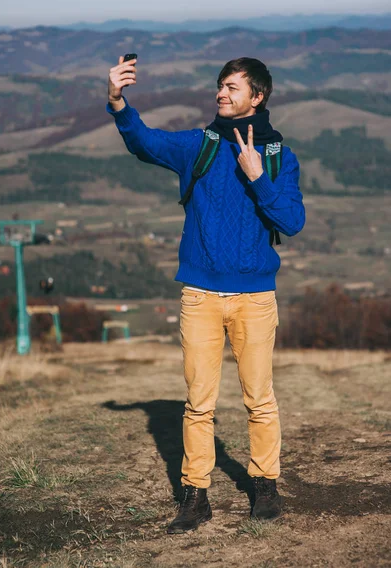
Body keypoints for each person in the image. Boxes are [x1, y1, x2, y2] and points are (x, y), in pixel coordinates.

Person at [107, 55, 305, 534]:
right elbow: (144, 141)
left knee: (260, 399)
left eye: (232, 87)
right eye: (220, 85)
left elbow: (292, 222)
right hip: (199, 294)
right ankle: (195, 497)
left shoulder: (281, 157)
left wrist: (258, 176)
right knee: (199, 403)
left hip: (255, 298)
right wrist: (117, 101)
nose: (221, 93)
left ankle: (265, 486)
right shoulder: (199, 144)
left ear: (257, 96)